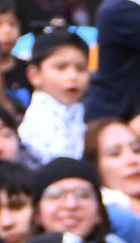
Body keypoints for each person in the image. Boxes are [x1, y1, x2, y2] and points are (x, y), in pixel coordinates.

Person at [18, 26, 93, 165]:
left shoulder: (83, 111)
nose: (73, 76)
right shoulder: (38, 121)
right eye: (61, 67)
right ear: (34, 75)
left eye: (81, 68)